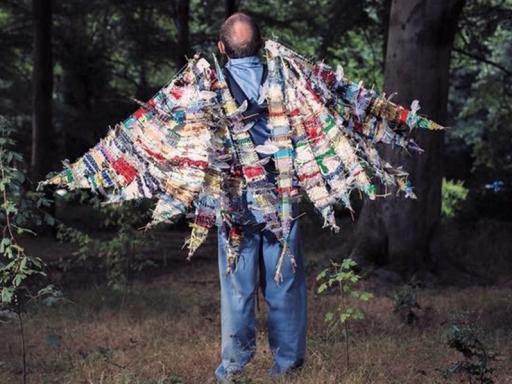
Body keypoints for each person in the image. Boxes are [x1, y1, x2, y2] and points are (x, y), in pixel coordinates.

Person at [214, 12, 307, 382]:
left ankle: (234, 370)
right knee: (285, 279)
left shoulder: (209, 86)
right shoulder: (288, 80)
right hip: (283, 194)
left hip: (234, 199)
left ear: (222, 48)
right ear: (262, 43)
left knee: (237, 285)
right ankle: (287, 370)